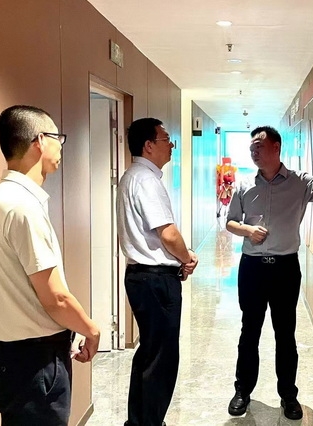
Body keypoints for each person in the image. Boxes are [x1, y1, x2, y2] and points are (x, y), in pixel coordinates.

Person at [0, 105, 100, 425]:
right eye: (58, 138)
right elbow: (55, 297)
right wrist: (90, 329)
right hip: (35, 362)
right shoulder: (22, 207)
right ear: (40, 140)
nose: (61, 147)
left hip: (12, 356)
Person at [225, 126, 313, 420]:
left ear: (276, 147)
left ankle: (288, 395)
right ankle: (242, 390)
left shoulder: (300, 182)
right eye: (251, 147)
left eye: (259, 146)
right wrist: (247, 230)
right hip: (252, 268)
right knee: (250, 330)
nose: (254, 151)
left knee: (285, 333)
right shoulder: (244, 185)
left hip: (285, 269)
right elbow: (230, 222)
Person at [117, 117, 199, 426]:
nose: (172, 145)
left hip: (141, 277)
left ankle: (139, 421)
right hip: (155, 279)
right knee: (161, 360)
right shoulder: (147, 180)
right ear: (149, 145)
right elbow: (168, 234)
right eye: (166, 140)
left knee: (149, 354)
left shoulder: (131, 176)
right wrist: (186, 257)